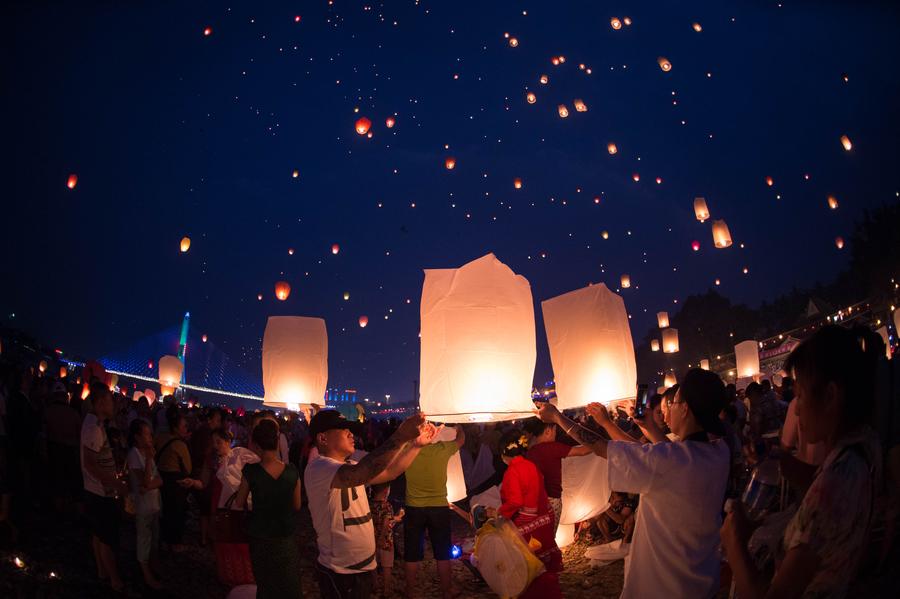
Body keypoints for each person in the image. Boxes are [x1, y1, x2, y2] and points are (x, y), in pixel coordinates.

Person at [536, 368, 731, 599]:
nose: (669, 409)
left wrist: (558, 417)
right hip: (700, 574)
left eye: (673, 403)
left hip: (665, 584)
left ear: (686, 408)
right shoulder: (719, 451)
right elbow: (654, 455)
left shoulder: (669, 460)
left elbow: (602, 447)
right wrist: (645, 426)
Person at [721, 325, 882, 598]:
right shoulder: (862, 445)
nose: (796, 409)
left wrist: (735, 546)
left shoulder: (835, 483)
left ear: (830, 396)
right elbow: (823, 492)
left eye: (801, 395)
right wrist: (779, 459)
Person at [304, 410, 436, 599]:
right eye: (343, 430)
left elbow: (390, 472)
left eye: (350, 429)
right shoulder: (319, 468)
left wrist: (415, 446)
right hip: (340, 572)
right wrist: (400, 436)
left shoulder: (350, 465)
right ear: (323, 438)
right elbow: (362, 472)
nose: (351, 434)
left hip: (362, 566)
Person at [235, 419, 303, 599]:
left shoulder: (250, 471)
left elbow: (239, 502)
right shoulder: (292, 472)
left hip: (260, 536)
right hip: (285, 536)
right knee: (288, 582)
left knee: (265, 583)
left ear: (256, 445)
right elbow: (297, 505)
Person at [492, 429, 563, 599]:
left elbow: (515, 501)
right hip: (543, 518)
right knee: (543, 563)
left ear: (504, 453)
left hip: (527, 524)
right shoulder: (530, 465)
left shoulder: (512, 471)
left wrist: (499, 512)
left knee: (528, 564)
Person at [403, 424, 464, 599]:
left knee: (412, 552)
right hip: (439, 507)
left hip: (414, 506)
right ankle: (447, 590)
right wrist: (459, 428)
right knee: (443, 551)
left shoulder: (408, 450)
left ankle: (410, 591)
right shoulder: (442, 448)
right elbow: (460, 441)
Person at [81, 382, 127, 592]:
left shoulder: (95, 423)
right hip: (100, 491)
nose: (114, 403)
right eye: (110, 399)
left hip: (96, 490)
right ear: (100, 403)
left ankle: (101, 572)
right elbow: (90, 464)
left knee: (98, 533)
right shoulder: (93, 428)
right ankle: (115, 580)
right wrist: (115, 483)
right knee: (108, 537)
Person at [523, 418, 591, 529]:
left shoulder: (530, 451)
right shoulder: (552, 447)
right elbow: (582, 451)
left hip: (535, 499)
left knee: (541, 533)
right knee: (550, 533)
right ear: (548, 431)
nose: (555, 434)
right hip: (552, 499)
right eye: (555, 431)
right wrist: (600, 444)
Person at [127, 419, 163, 590]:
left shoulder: (146, 453)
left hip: (153, 505)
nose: (151, 437)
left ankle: (151, 568)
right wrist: (149, 459)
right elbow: (145, 482)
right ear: (137, 437)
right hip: (142, 507)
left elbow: (158, 481)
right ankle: (146, 576)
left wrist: (150, 483)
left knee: (152, 539)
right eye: (147, 434)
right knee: (143, 540)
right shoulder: (135, 455)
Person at [155, 410, 199, 551]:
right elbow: (188, 467)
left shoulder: (160, 437)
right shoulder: (180, 444)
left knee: (164, 511)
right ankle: (175, 543)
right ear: (176, 428)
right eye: (184, 426)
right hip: (175, 482)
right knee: (177, 513)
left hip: (160, 478)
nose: (187, 428)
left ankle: (162, 539)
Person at [211, 427, 259, 508]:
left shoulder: (238, 454)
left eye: (218, 442)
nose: (215, 446)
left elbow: (256, 462)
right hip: (219, 503)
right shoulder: (213, 460)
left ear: (228, 442)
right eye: (213, 442)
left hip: (237, 504)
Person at [371, 482, 404, 596]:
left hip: (372, 541)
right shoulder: (387, 505)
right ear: (386, 491)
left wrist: (396, 518)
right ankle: (386, 589)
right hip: (386, 541)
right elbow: (386, 523)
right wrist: (381, 538)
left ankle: (374, 586)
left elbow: (386, 519)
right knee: (387, 565)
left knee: (373, 564)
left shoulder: (370, 504)